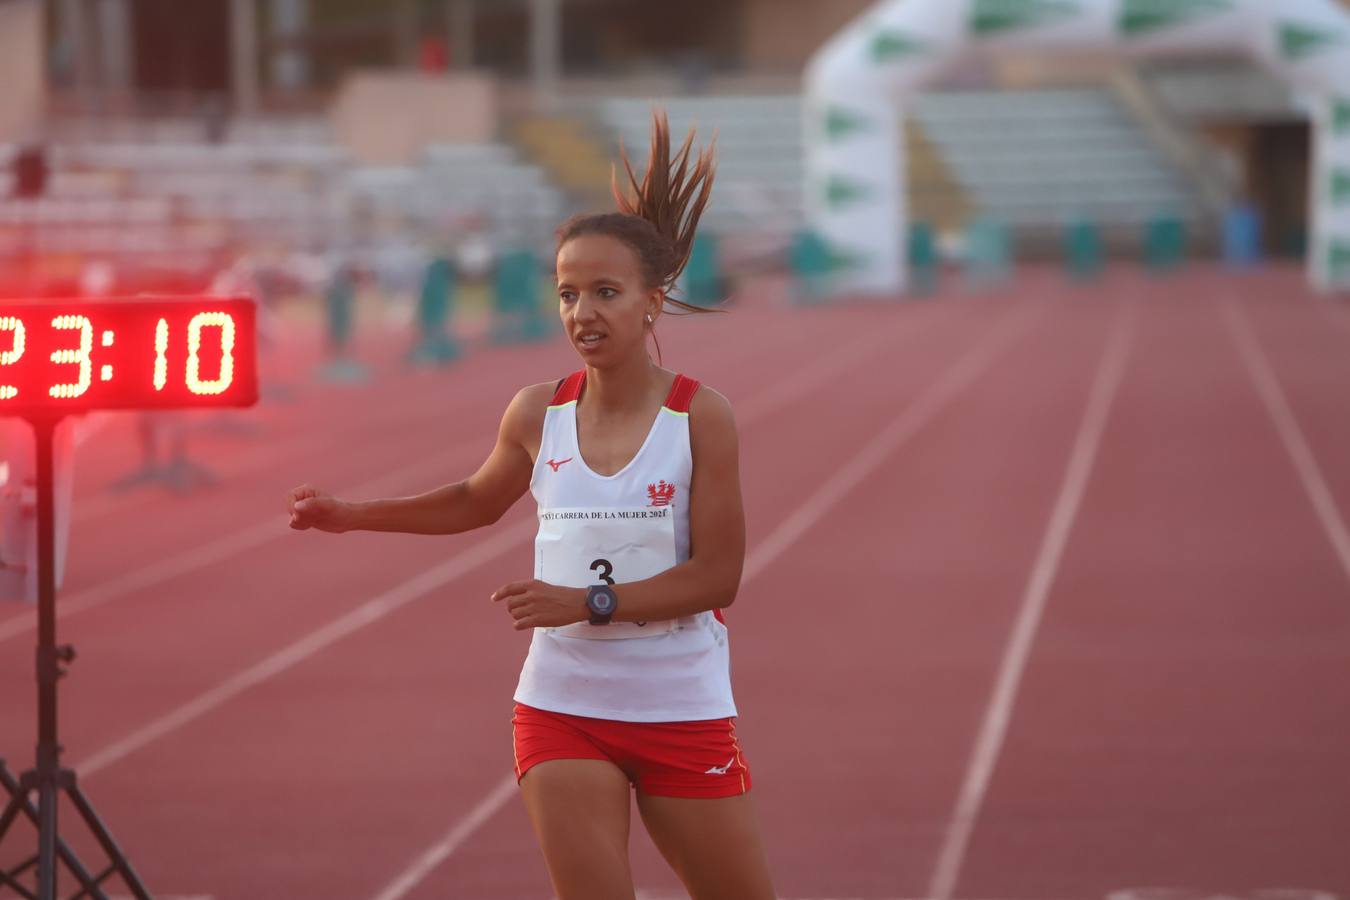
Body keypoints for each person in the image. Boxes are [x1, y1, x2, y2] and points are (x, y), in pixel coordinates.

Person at [285, 112, 776, 900]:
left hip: (679, 703)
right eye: (568, 293)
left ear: (654, 301)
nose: (583, 313)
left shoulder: (699, 417)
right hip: (562, 705)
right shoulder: (535, 411)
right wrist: (352, 513)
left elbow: (718, 578)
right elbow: (475, 501)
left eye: (605, 293)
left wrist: (588, 600)